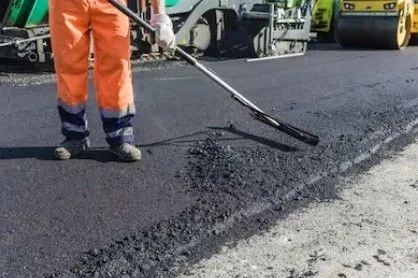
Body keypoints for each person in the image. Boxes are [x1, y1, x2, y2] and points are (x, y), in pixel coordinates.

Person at [49, 0, 175, 162]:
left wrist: (160, 15)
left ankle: (120, 137)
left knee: (117, 66)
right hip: (66, 4)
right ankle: (74, 136)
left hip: (111, 4)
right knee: (68, 66)